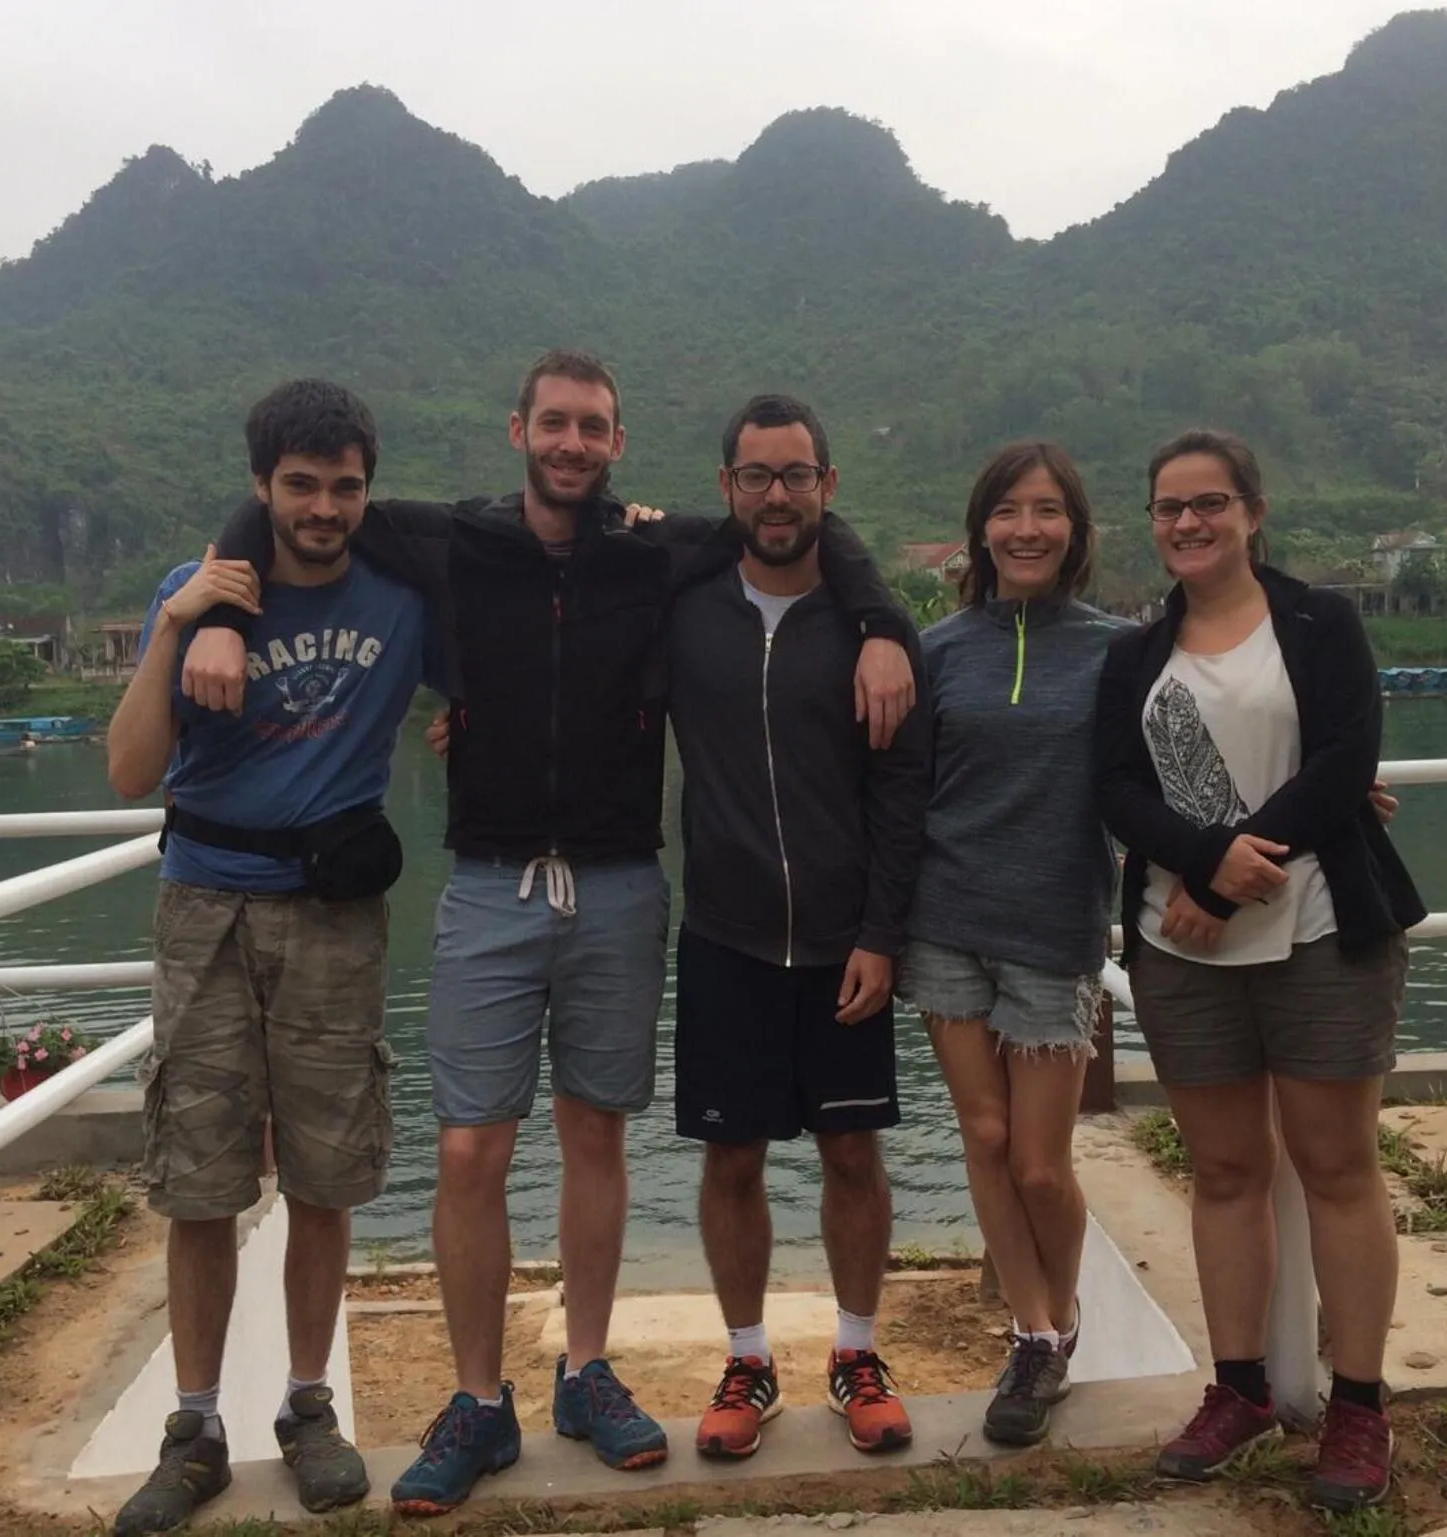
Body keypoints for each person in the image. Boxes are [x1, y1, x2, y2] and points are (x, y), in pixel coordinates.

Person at [177, 350, 917, 1515]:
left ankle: (585, 1370)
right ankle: (478, 1399)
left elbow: (808, 521)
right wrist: (214, 612)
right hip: (486, 885)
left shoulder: (659, 548)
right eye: (555, 423)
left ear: (619, 444)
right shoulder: (446, 541)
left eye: (595, 427)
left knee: (596, 1138)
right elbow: (288, 495)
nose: (573, 443)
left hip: (622, 885)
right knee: (470, 1149)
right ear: (519, 427)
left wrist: (879, 622)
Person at [103, 379, 426, 1534]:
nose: (324, 507)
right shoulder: (197, 597)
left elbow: (493, 659)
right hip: (205, 906)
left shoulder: (399, 601)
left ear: (364, 491)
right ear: (262, 487)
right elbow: (131, 773)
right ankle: (194, 1426)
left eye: (344, 486)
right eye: (301, 485)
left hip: (334, 915)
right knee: (200, 1177)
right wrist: (183, 627)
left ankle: (307, 1405)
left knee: (328, 1176)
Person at [1095, 429, 1426, 1513]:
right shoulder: (1137, 655)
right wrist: (1199, 862)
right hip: (1182, 945)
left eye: (1208, 503)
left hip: (1321, 929)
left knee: (1338, 1166)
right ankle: (1237, 1387)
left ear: (1251, 510)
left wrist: (1234, 871)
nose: (1187, 523)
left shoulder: (1321, 622)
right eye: (1168, 507)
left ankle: (1360, 1406)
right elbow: (1116, 790)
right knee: (1225, 1170)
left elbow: (1345, 762)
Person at [671, 395, 930, 1462]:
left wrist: (881, 931)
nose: (776, 495)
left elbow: (902, 793)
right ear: (726, 487)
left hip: (842, 943)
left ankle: (857, 1352)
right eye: (755, 476)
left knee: (852, 1149)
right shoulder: (684, 607)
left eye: (795, 475)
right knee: (731, 1159)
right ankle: (747, 1357)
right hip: (726, 935)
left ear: (829, 486)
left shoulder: (875, 631)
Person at [894, 441, 1132, 1447]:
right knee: (983, 1140)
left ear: (1073, 530)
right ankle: (1032, 1337)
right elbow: (898, 792)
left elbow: (1192, 752)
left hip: (1054, 934)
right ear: (980, 527)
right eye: (1008, 510)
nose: (1026, 528)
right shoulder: (940, 648)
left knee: (1041, 1163)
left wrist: (1334, 801)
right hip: (946, 926)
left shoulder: (1123, 648)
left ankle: (1062, 1318)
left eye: (1046, 511)